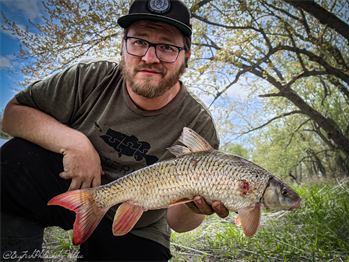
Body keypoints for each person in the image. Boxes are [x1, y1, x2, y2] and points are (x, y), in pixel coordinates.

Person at [0, 0, 229, 261]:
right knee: (14, 160)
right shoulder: (89, 77)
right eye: (139, 42)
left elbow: (179, 224)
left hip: (137, 222)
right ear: (123, 47)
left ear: (185, 60)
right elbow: (11, 116)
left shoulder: (197, 124)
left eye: (167, 47)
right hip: (74, 187)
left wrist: (195, 204)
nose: (149, 57)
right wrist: (74, 142)